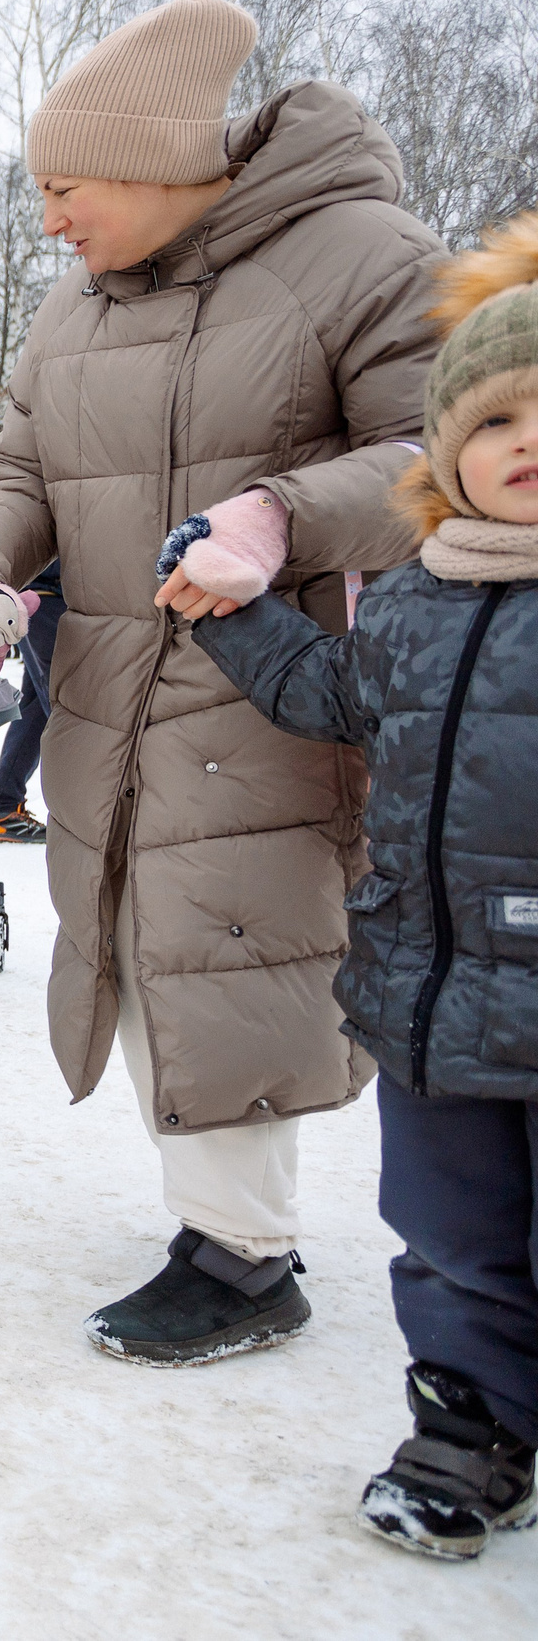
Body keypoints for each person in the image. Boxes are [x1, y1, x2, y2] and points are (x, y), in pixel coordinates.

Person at [0, 0, 446, 1363]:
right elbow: (17, 471)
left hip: (270, 694)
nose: (52, 222)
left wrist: (279, 516)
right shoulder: (71, 313)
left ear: (151, 165)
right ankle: (219, 1219)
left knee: (233, 948)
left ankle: (246, 1254)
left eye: (65, 189)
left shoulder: (360, 256)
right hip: (102, 689)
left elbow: (448, 449)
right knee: (140, 948)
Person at [177, 217, 538, 1559]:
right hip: (431, 999)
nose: (524, 440)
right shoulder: (410, 600)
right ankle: (469, 1430)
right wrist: (237, 608)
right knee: (448, 1236)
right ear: (448, 448)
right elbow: (327, 694)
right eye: (496, 416)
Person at [0, 559, 62, 844]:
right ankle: (89, 818)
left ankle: (3, 808)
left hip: (38, 597)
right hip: (48, 597)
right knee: (69, 709)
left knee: (37, 708)